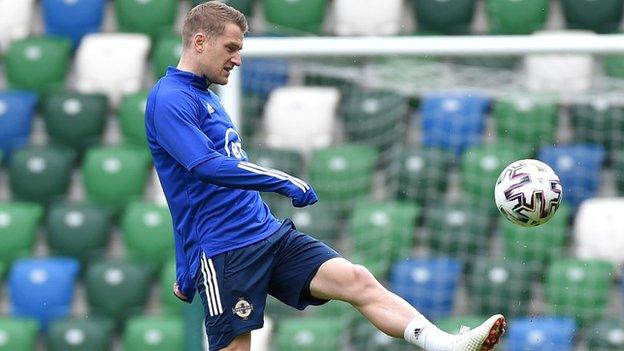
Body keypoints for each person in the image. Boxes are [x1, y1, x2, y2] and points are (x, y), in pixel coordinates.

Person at [145, 2, 506, 351]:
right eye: (231, 48)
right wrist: (282, 181)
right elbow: (202, 166)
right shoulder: (170, 99)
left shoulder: (206, 96)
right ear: (199, 42)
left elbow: (186, 190)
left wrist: (182, 265)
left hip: (266, 233)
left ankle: (446, 345)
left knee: (357, 279)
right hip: (226, 251)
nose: (237, 59)